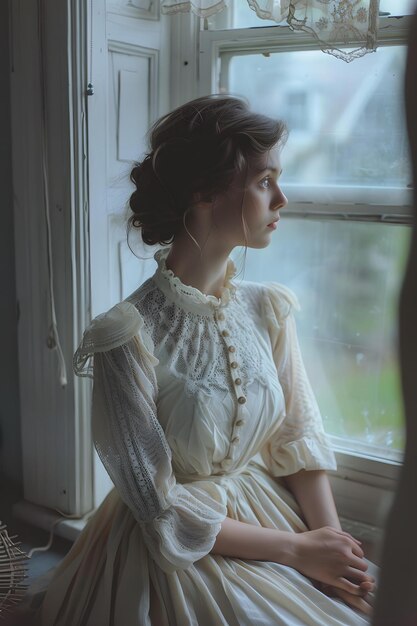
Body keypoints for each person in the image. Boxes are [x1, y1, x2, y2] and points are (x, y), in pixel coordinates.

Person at [21, 95, 376, 625]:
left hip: (272, 518)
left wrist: (337, 552)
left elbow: (298, 441)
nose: (282, 199)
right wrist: (297, 551)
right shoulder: (127, 334)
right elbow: (159, 507)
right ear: (204, 193)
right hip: (180, 546)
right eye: (264, 181)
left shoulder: (268, 307)